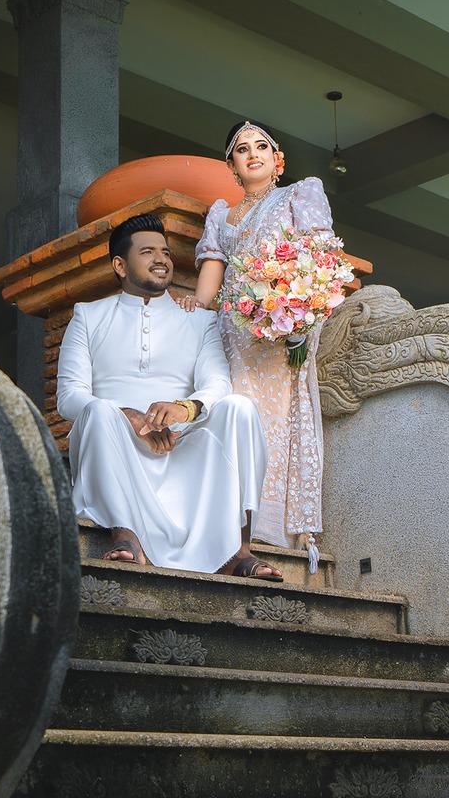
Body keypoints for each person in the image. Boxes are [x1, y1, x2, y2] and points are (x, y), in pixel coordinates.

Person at [56, 213, 285, 581]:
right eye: (147, 252)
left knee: (238, 407)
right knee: (97, 411)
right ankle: (126, 535)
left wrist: (185, 409)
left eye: (164, 252)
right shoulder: (88, 316)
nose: (161, 259)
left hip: (180, 445)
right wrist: (127, 416)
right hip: (114, 443)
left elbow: (217, 383)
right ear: (120, 265)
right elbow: (69, 397)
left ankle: (237, 549)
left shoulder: (198, 320)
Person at [184, 121, 343, 551]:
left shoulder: (298, 195)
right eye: (241, 149)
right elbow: (213, 272)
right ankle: (227, 516)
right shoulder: (222, 214)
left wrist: (300, 319)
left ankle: (266, 524)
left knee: (271, 416)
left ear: (278, 160)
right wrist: (195, 306)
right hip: (231, 333)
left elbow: (320, 261)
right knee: (231, 409)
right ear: (231, 166)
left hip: (279, 333)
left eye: (261, 146)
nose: (252, 154)